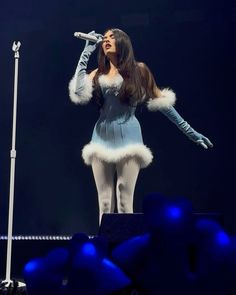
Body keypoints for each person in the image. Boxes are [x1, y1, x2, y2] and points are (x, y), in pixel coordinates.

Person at [68, 28, 213, 224]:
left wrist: (190, 132)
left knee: (124, 199)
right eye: (105, 38)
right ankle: (106, 248)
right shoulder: (98, 73)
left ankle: (125, 248)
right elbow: (77, 91)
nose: (107, 40)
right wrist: (86, 52)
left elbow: (162, 103)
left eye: (112, 37)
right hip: (100, 137)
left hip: (129, 137)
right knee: (103, 202)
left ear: (122, 42)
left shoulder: (139, 70)